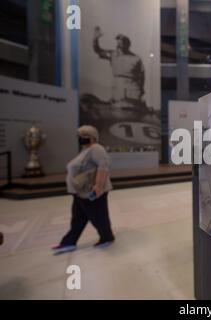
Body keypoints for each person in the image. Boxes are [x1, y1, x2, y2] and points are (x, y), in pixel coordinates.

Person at [52, 125, 115, 255]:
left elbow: (103, 167)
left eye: (84, 136)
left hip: (91, 191)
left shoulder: (96, 149)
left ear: (92, 137)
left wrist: (98, 186)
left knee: (98, 217)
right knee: (78, 218)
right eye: (80, 135)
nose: (81, 138)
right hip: (80, 192)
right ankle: (69, 242)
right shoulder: (85, 150)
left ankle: (107, 237)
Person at [93, 26, 145, 107]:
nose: (120, 46)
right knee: (117, 109)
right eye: (118, 43)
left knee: (134, 109)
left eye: (122, 43)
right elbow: (98, 50)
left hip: (133, 88)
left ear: (127, 45)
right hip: (118, 87)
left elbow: (142, 75)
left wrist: (141, 90)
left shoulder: (136, 58)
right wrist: (95, 39)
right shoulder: (113, 54)